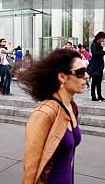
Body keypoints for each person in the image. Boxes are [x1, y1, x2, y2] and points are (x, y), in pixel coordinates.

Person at [19, 48, 88, 183]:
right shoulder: (43, 114)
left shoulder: (71, 106)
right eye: (80, 72)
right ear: (62, 77)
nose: (86, 75)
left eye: (84, 70)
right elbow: (30, 170)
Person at [87, 31, 105, 102]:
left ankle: (99, 96)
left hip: (100, 65)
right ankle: (93, 96)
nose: (103, 40)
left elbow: (100, 54)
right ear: (99, 38)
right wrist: (103, 51)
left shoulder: (99, 45)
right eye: (102, 38)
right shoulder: (94, 44)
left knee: (99, 82)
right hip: (95, 66)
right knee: (94, 82)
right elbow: (95, 54)